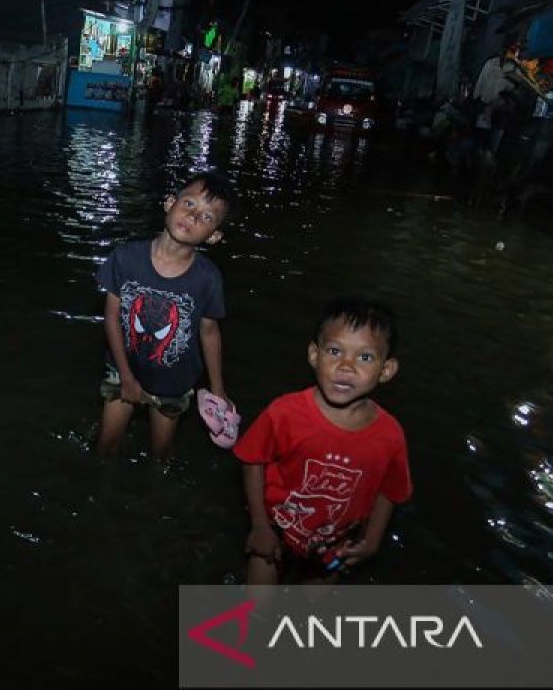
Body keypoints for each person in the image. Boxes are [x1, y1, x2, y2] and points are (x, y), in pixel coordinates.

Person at [233, 299, 412, 585]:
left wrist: (372, 540)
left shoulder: (390, 435)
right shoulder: (284, 413)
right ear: (315, 355)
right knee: (257, 609)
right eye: (334, 351)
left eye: (365, 357)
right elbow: (252, 459)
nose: (346, 366)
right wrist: (259, 526)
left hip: (335, 543)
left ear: (387, 370)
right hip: (275, 528)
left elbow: (390, 490)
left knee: (309, 616)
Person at [94, 172, 233, 462]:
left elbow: (209, 332)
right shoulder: (126, 258)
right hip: (124, 369)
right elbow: (111, 317)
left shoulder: (208, 279)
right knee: (105, 446)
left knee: (162, 454)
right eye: (189, 203)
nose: (193, 217)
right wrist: (128, 378)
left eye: (207, 217)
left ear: (215, 235)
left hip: (174, 382)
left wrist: (218, 389)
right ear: (170, 203)